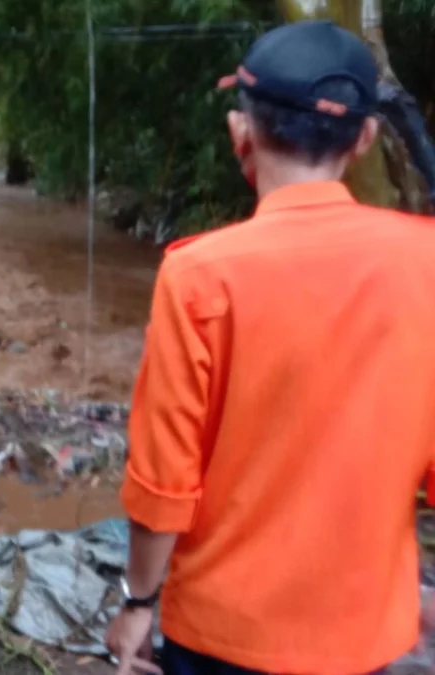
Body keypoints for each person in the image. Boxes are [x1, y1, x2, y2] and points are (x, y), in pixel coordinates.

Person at [105, 20, 435, 675]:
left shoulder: (200, 276)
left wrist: (137, 601)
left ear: (240, 131)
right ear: (365, 139)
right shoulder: (426, 261)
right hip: (366, 630)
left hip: (223, 634)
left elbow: (164, 479)